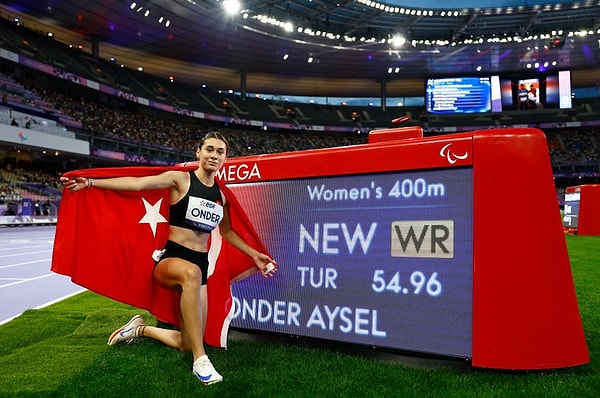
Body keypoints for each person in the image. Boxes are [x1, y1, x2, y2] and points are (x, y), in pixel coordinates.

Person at [60, 132, 276, 385]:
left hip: (200, 266)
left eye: (220, 152)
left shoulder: (222, 195)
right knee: (191, 276)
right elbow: (137, 184)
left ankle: (139, 329)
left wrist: (255, 255)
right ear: (198, 152)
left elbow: (227, 231)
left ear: (225, 158)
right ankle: (201, 361)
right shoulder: (180, 179)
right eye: (209, 149)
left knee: (188, 339)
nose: (214, 155)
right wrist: (91, 183)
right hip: (171, 261)